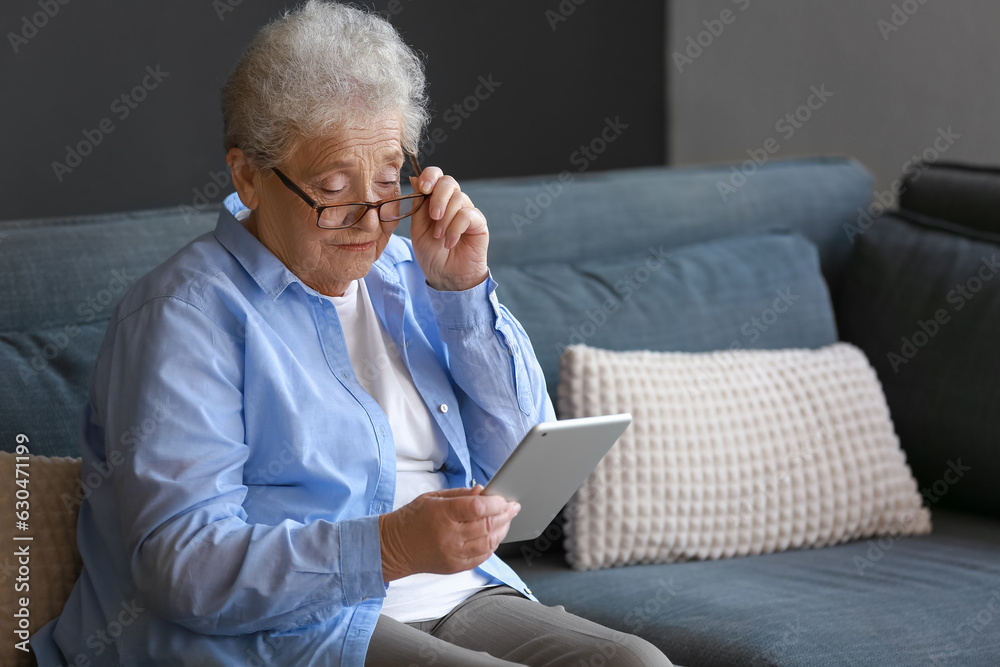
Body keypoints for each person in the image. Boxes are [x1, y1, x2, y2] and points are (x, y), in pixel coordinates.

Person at [30, 2, 674, 665]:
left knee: (636, 661)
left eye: (390, 184)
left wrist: (463, 294)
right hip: (295, 626)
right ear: (248, 176)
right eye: (334, 191)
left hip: (457, 593)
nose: (371, 221)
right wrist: (392, 546)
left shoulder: (413, 270)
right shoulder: (185, 314)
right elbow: (180, 563)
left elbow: (523, 471)